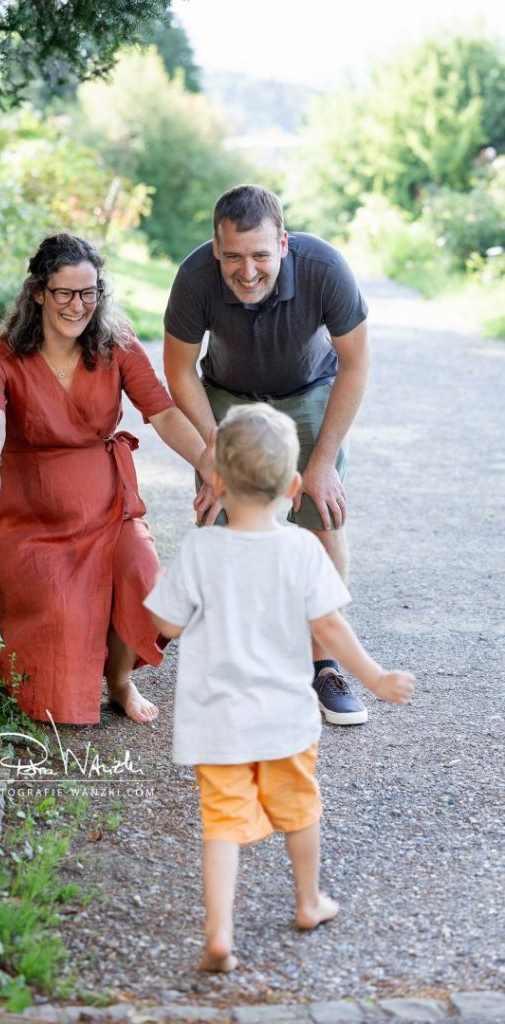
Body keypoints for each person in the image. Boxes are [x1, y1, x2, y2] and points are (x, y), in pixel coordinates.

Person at [144, 404, 415, 972]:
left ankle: (219, 934)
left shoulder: (199, 550)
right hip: (284, 720)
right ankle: (307, 901)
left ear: (216, 482)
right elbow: (330, 628)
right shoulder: (300, 551)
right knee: (298, 809)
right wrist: (375, 678)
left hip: (215, 721)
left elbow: (165, 626)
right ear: (295, 489)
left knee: (221, 822)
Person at [0, 233, 211, 726]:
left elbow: (162, 413)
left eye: (88, 292)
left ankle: (120, 681)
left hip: (108, 505)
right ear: (38, 292)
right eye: (64, 293)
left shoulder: (115, 342)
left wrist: (208, 460)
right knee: (58, 664)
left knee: (143, 578)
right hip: (32, 513)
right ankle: (36, 665)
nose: (77, 306)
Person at [163, 184, 370, 726]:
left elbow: (355, 364)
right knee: (220, 516)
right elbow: (179, 369)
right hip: (228, 395)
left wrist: (321, 463)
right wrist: (211, 448)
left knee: (322, 514)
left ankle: (323, 662)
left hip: (308, 389)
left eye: (259, 255)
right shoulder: (194, 278)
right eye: (233, 256)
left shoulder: (325, 268)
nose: (247, 270)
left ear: (282, 243)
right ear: (215, 248)